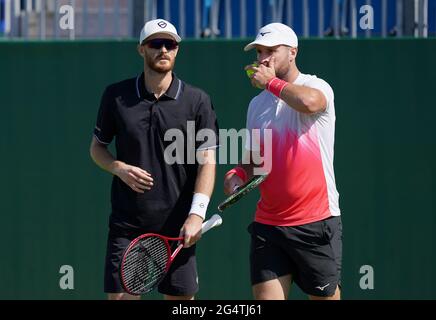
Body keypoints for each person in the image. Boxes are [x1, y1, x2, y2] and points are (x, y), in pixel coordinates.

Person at [90, 19, 219, 300]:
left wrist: (196, 214)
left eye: (170, 44)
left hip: (178, 226)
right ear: (141, 50)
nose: (163, 50)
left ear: (177, 51)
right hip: (127, 225)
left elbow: (208, 160)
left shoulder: (197, 100)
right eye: (155, 44)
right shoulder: (116, 96)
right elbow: (97, 149)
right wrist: (118, 168)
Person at [224, 23, 342, 300]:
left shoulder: (316, 85)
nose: (263, 58)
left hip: (315, 220)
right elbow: (255, 158)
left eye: (271, 50)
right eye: (259, 52)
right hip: (269, 224)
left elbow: (310, 103)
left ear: (292, 52)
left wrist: (272, 84)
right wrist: (239, 173)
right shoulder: (256, 105)